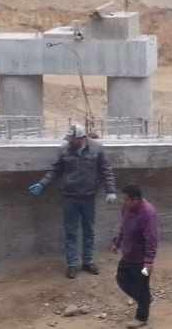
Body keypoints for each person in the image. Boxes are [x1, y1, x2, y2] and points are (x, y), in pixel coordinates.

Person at [28, 125, 118, 278]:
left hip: (89, 197)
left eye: (72, 139)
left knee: (89, 230)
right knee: (71, 232)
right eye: (69, 138)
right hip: (70, 197)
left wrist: (110, 190)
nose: (69, 141)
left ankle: (88, 262)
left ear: (81, 138)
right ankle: (72, 264)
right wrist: (42, 184)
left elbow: (106, 170)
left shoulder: (96, 149)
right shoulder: (65, 149)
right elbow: (55, 170)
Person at [111, 184, 159, 328]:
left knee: (142, 286)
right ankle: (145, 300)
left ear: (136, 199)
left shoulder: (148, 213)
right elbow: (123, 227)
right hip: (128, 254)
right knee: (121, 279)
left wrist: (148, 262)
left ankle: (141, 317)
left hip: (141, 259)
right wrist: (117, 242)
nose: (124, 202)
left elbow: (151, 239)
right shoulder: (127, 208)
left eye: (126, 200)